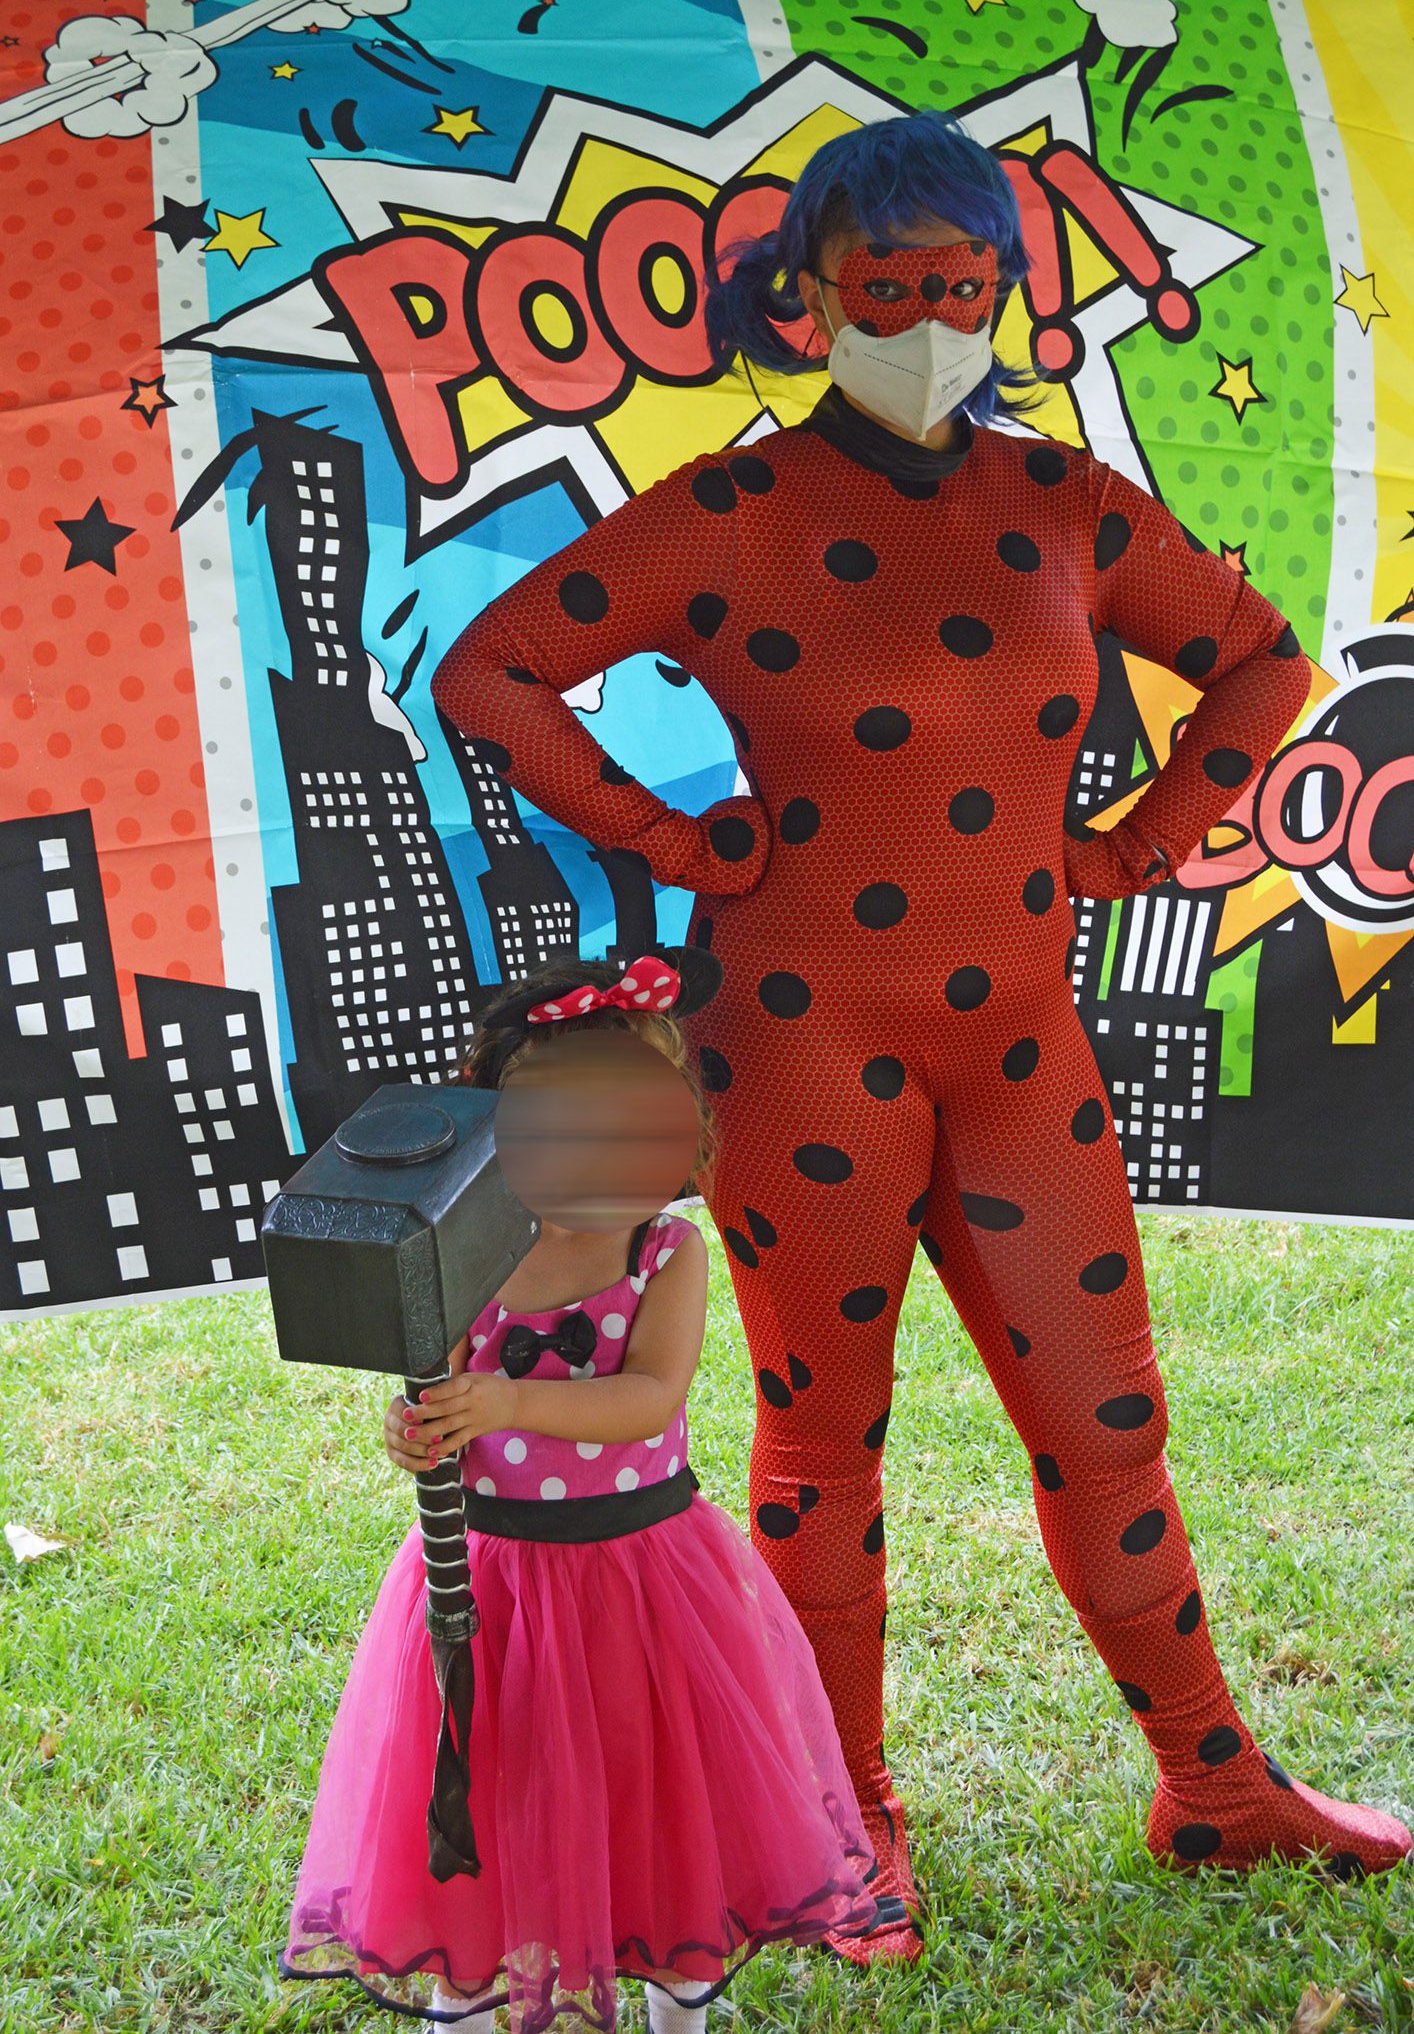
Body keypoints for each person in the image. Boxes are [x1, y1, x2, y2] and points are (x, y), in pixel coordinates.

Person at [426, 106, 1412, 1961]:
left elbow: (1262, 655)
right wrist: (667, 835)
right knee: (824, 1445)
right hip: (799, 1040)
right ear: (806, 300)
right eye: (887, 293)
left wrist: (1138, 841)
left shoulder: (1058, 504)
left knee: (1105, 1424)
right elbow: (488, 670)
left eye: (961, 292)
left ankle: (1211, 1781)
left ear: (1002, 298)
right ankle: (832, 1821)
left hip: (1016, 1041)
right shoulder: (724, 514)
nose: (928, 326)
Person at [277, 950, 878, 2033]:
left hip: (639, 1578)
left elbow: (648, 1397)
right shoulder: (471, 1249)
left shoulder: (665, 1251)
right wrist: (425, 1430)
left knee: (649, 1791)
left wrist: (504, 1404)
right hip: (486, 1577)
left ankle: (675, 1997)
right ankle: (464, 1992)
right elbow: (442, 1386)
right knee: (487, 1788)